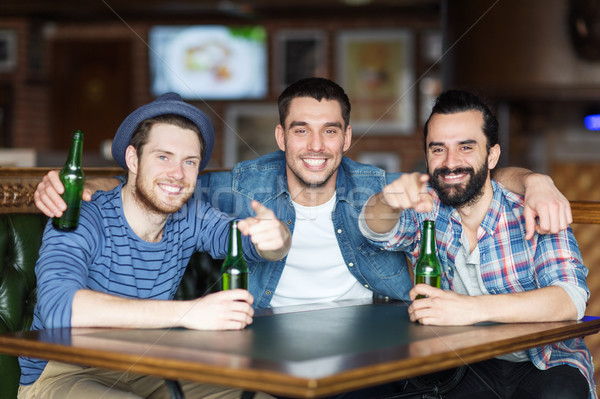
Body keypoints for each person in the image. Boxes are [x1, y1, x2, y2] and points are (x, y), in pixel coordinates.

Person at [34, 78, 574, 310]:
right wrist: (83, 186)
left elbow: (460, 174)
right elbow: (166, 185)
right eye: (300, 130)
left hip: (374, 342)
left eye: (330, 131)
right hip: (266, 339)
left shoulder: (378, 190)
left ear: (346, 137)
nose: (316, 146)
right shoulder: (240, 185)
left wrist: (536, 181)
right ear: (280, 137)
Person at [18, 93, 291, 399]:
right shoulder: (82, 216)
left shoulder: (191, 215)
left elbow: (250, 243)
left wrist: (277, 238)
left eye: (189, 162)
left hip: (146, 365)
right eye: (163, 157)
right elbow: (60, 310)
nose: (177, 174)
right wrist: (187, 314)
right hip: (65, 370)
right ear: (133, 159)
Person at [359, 89, 595, 399]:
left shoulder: (533, 207)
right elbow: (374, 229)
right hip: (467, 363)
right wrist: (387, 201)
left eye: (465, 147)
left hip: (546, 362)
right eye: (438, 149)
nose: (450, 162)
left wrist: (468, 309)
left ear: (492, 155)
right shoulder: (427, 205)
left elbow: (571, 299)